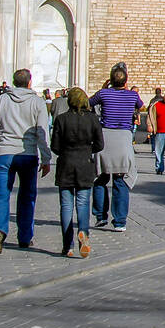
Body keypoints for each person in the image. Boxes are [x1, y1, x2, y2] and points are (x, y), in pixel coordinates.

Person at [0, 69, 52, 254]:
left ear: (14, 82)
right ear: (29, 83)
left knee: (1, 194)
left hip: (4, 153)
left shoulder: (3, 99)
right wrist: (46, 159)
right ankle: (24, 237)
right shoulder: (37, 102)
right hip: (27, 154)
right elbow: (42, 133)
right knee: (27, 197)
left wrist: (4, 133)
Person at [50, 87, 102, 258]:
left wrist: (66, 150)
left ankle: (67, 246)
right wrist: (87, 149)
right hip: (85, 165)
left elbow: (55, 147)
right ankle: (83, 234)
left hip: (66, 164)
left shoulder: (61, 119)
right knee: (83, 203)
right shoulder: (92, 119)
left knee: (66, 206)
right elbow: (100, 145)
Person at [88, 63, 141, 232]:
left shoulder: (103, 93)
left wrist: (104, 88)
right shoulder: (132, 96)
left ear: (110, 80)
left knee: (100, 178)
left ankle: (100, 216)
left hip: (105, 137)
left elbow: (89, 102)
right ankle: (119, 221)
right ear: (126, 82)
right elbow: (140, 105)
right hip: (123, 139)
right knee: (120, 180)